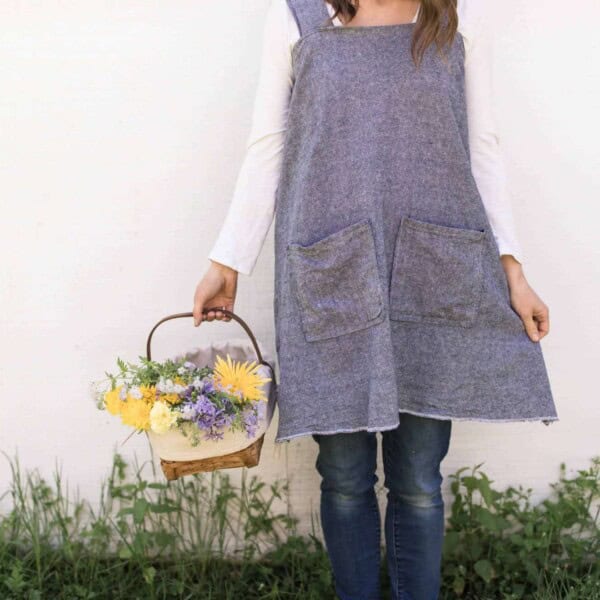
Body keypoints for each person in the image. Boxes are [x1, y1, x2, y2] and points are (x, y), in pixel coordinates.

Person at [192, 1, 559, 597]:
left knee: (417, 478)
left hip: (431, 271)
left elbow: (481, 148)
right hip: (327, 267)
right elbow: (268, 145)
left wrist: (512, 271)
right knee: (342, 476)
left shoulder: (458, 19)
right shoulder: (299, 17)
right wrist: (227, 260)